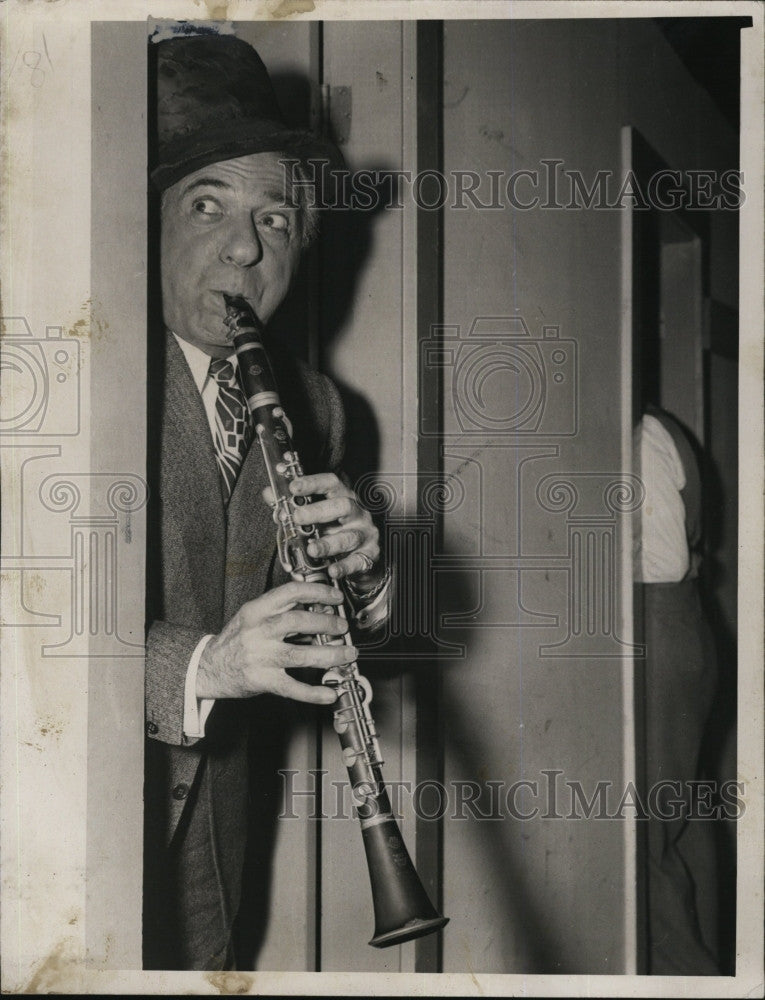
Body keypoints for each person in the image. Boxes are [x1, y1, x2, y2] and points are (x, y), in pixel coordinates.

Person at [143, 33, 389, 971]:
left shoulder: (315, 407)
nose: (246, 246)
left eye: (276, 221)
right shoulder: (69, 374)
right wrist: (204, 665)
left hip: (216, 840)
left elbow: (317, 630)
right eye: (208, 204)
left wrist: (363, 579)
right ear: (147, 223)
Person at [633, 404, 719, 974]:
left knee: (646, 843)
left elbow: (663, 562)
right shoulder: (659, 426)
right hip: (682, 628)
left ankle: (688, 976)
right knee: (683, 821)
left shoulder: (637, 435)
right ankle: (712, 959)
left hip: (660, 628)